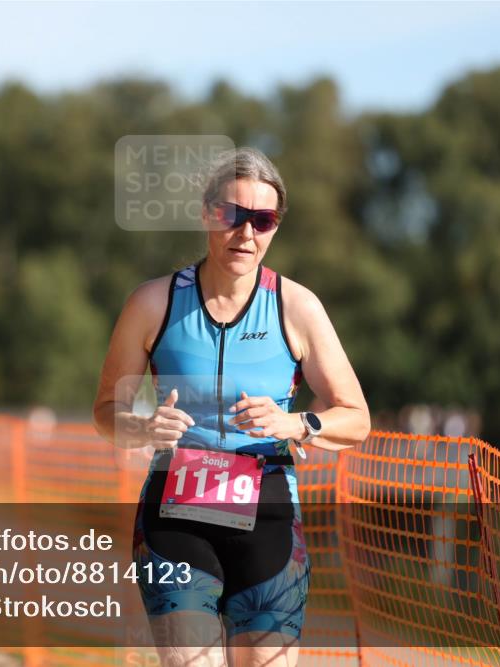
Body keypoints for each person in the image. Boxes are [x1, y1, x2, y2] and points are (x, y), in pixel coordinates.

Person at [93, 147, 370, 666]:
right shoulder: (153, 303)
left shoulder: (298, 307)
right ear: (206, 214)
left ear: (275, 227)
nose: (246, 233)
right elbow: (106, 410)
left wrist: (295, 422)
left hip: (267, 517)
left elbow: (356, 418)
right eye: (231, 215)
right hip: (175, 515)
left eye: (262, 220)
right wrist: (143, 426)